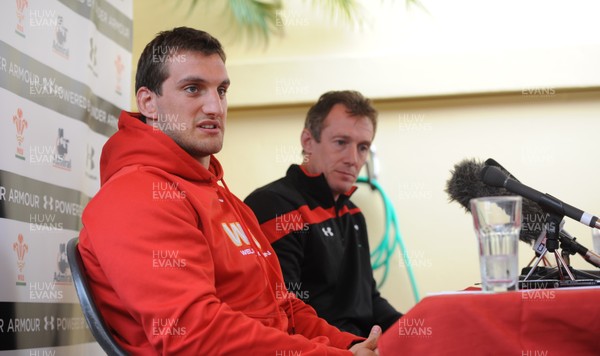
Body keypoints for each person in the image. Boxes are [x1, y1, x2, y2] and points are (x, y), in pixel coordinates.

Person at [77, 27, 381, 355]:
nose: (215, 107)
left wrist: (350, 345)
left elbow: (286, 308)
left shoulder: (221, 196)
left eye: (221, 90)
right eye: (193, 89)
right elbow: (195, 337)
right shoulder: (135, 196)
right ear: (148, 102)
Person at [244, 90, 402, 338]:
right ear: (308, 142)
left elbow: (368, 299)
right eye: (341, 142)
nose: (353, 159)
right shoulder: (272, 206)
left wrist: (415, 329)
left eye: (363, 147)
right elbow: (284, 314)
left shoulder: (353, 215)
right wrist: (354, 347)